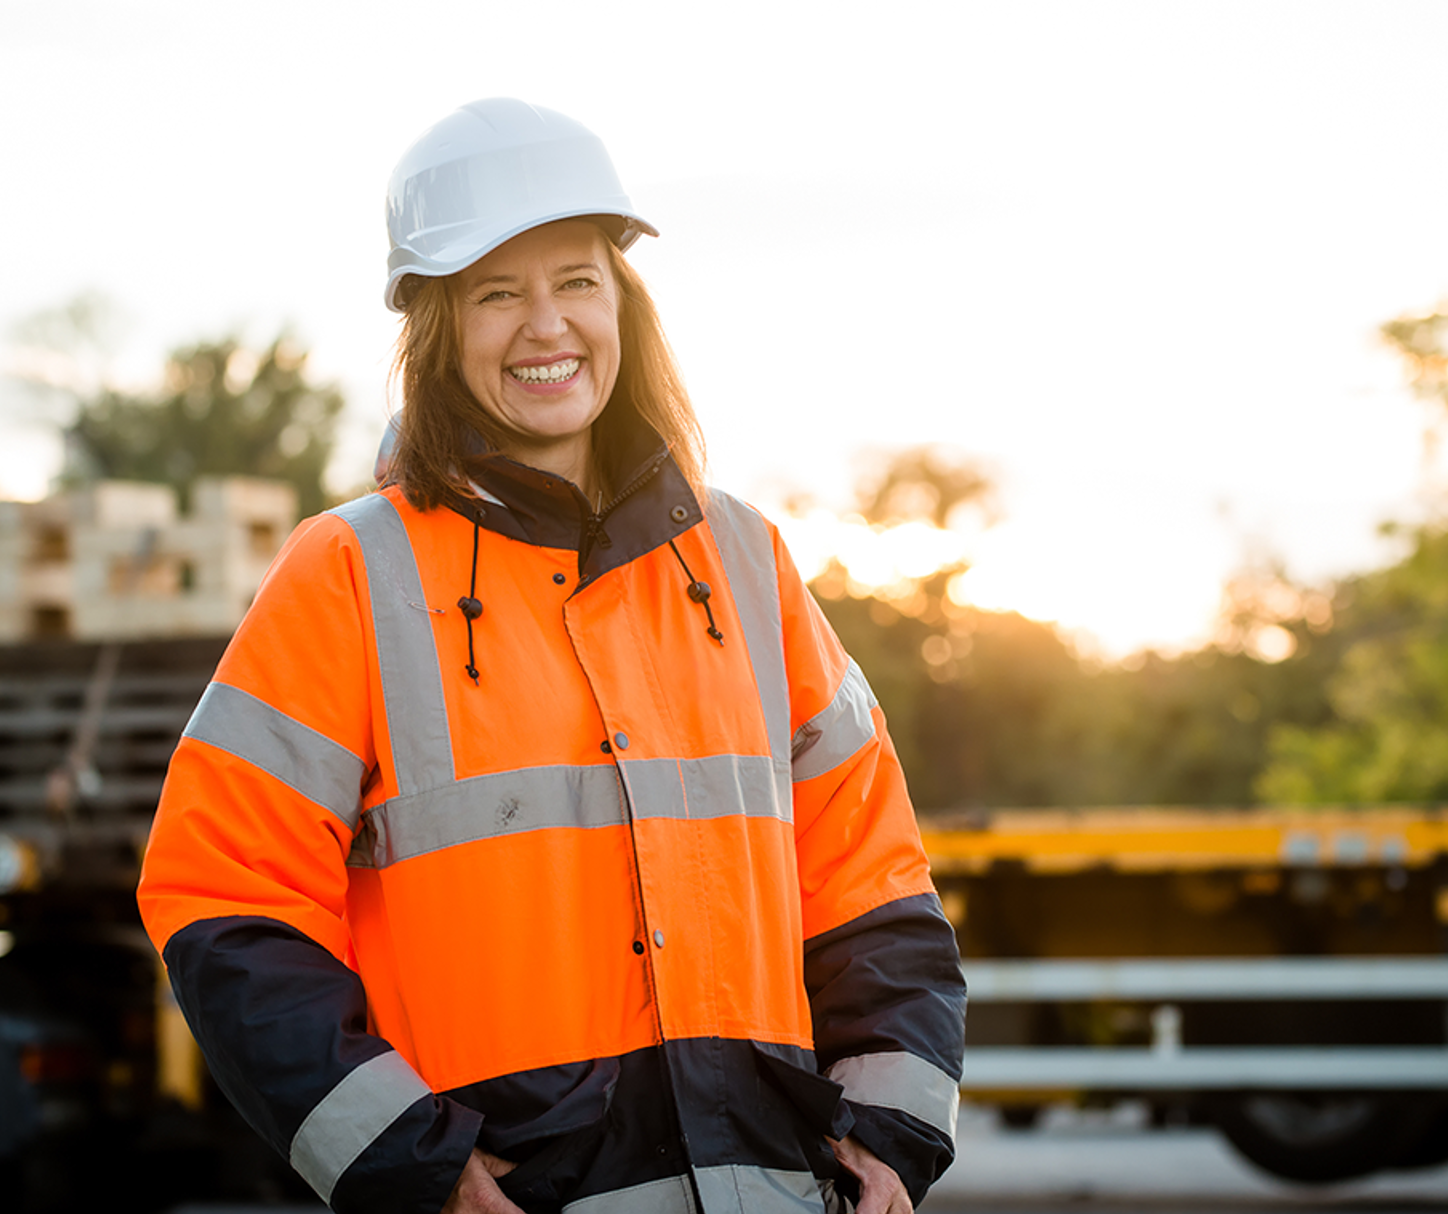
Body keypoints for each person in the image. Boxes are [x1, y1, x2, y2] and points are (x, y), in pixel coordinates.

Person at [137, 97, 965, 1214]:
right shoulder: (349, 571)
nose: (547, 325)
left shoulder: (743, 560)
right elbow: (224, 896)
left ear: (624, 298)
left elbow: (870, 870)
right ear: (436, 327)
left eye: (577, 279)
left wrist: (891, 1128)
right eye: (496, 292)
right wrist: (410, 1163)